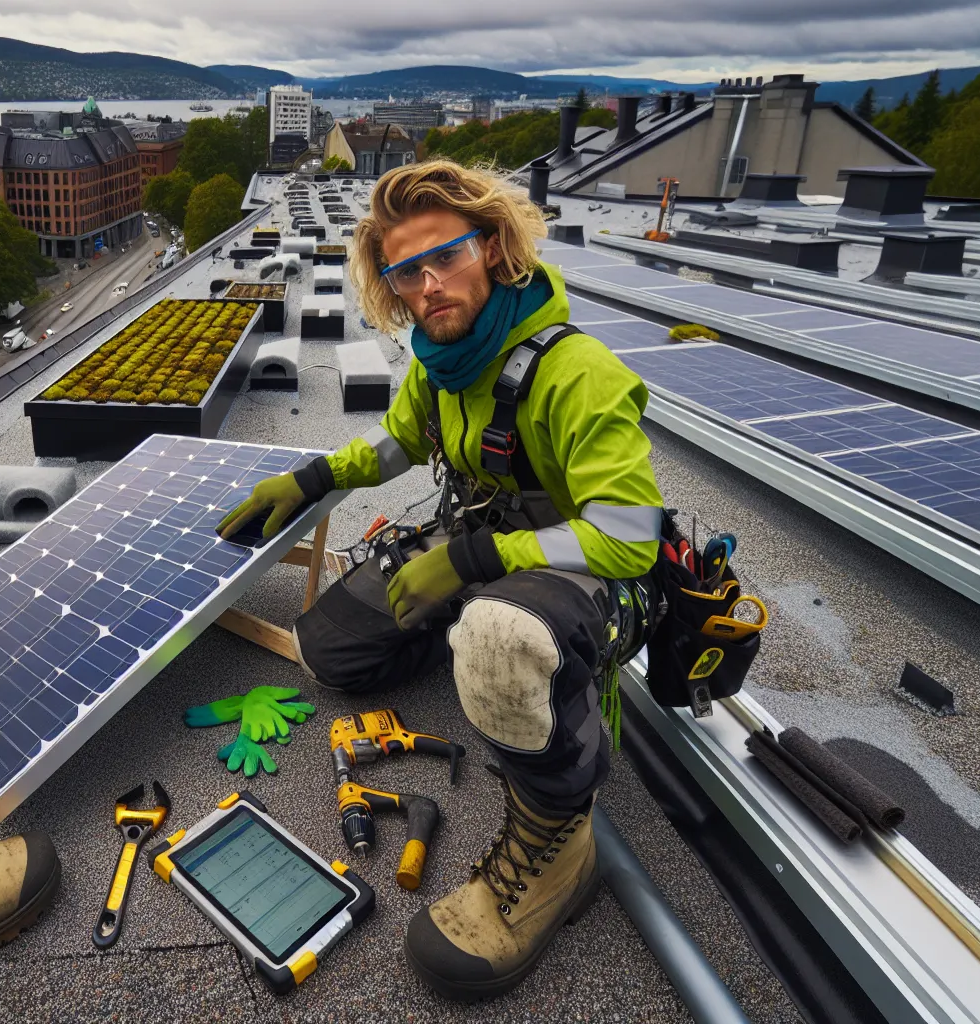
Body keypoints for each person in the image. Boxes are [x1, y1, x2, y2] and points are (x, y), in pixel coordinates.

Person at [215, 159, 664, 1002]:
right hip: (485, 549)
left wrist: (469, 564)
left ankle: (560, 841)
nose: (428, 286)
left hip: (589, 576)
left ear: (490, 247)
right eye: (405, 272)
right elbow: (395, 444)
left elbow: (630, 537)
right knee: (333, 652)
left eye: (445, 257)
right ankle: (481, 656)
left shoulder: (577, 372)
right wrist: (311, 479)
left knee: (502, 635)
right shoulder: (441, 363)